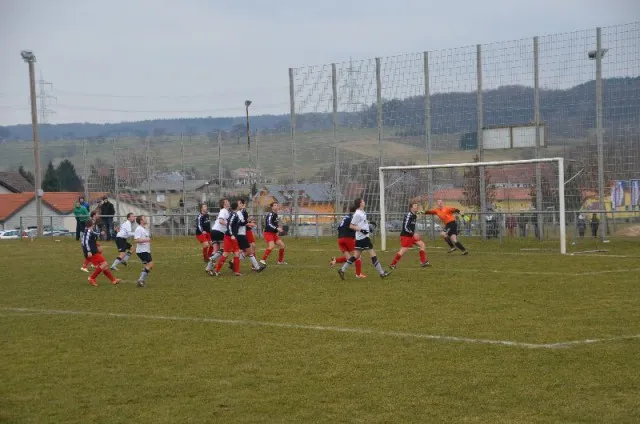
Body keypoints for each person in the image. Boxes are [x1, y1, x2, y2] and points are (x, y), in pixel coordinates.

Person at [337, 198, 391, 280]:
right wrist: (362, 230)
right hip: (363, 238)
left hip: (360, 238)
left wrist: (368, 225)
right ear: (360, 203)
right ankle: (382, 273)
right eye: (363, 201)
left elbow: (361, 223)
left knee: (355, 256)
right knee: (373, 255)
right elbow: (351, 226)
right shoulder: (357, 213)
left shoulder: (362, 212)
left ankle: (342, 270)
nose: (364, 202)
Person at [389, 202, 430, 269]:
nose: (417, 207)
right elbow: (406, 227)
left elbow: (421, 213)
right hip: (406, 235)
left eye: (417, 206)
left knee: (422, 244)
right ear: (411, 208)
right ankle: (392, 264)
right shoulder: (408, 215)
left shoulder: (414, 215)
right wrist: (413, 233)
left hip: (411, 235)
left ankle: (423, 262)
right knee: (403, 250)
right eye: (415, 206)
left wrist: (428, 212)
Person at [329, 205, 365, 278]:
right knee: (358, 256)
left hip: (340, 239)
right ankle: (358, 274)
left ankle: (335, 261)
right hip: (347, 238)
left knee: (349, 258)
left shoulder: (346, 217)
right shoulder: (354, 217)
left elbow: (339, 228)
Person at [84, 219, 121, 287]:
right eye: (93, 223)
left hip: (93, 251)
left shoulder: (90, 230)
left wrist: (100, 233)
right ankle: (92, 278)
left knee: (104, 266)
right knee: (104, 264)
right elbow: (85, 242)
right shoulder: (88, 231)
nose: (94, 223)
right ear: (91, 224)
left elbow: (94, 233)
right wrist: (88, 251)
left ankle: (113, 280)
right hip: (92, 252)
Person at [211, 201, 242, 276]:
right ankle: (216, 270)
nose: (240, 206)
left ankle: (237, 272)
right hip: (229, 237)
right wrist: (231, 234)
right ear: (237, 207)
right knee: (226, 253)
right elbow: (229, 225)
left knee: (237, 253)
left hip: (233, 237)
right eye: (239, 204)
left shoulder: (234, 214)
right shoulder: (234, 214)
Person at [206, 198, 230, 273]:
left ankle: (209, 268)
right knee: (223, 250)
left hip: (214, 231)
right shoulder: (224, 211)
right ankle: (212, 258)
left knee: (215, 250)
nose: (228, 202)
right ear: (224, 204)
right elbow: (221, 221)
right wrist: (229, 225)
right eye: (227, 201)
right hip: (219, 231)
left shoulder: (224, 211)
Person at [134, 215, 154, 288]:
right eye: (144, 218)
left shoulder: (144, 229)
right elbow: (136, 240)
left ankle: (141, 280)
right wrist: (146, 240)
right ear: (141, 221)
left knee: (147, 266)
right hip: (142, 251)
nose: (146, 219)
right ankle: (140, 280)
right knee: (150, 264)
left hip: (145, 250)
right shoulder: (139, 229)